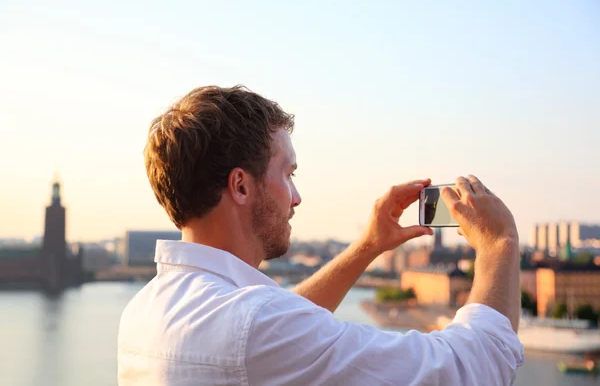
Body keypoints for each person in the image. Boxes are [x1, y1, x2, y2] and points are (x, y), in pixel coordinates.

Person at [118, 85, 524, 385]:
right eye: (288, 174)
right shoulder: (256, 326)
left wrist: (367, 247)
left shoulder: (143, 312)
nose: (296, 198)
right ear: (241, 186)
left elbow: (272, 327)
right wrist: (499, 244)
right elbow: (470, 368)